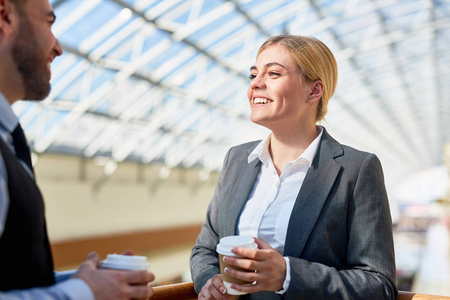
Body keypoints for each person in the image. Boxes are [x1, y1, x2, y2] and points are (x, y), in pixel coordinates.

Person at [190, 35, 398, 299]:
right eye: (253, 75)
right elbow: (205, 250)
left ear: (314, 90)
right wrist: (210, 282)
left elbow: (379, 285)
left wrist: (287, 275)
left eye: (273, 73)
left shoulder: (356, 170)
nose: (256, 83)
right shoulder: (237, 159)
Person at [0, 0, 155, 299]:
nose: (58, 48)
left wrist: (89, 282)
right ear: (5, 16)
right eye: (48, 23)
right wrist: (83, 292)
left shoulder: (9, 139)